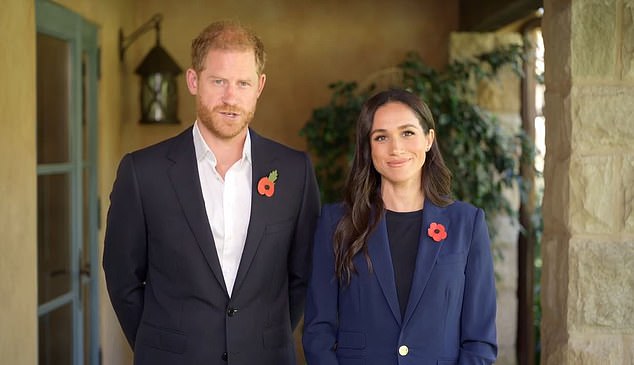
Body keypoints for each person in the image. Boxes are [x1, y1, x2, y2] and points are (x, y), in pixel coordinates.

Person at [103, 20, 320, 365]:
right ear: (194, 81)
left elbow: (303, 274)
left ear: (259, 86)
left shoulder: (295, 172)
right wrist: (162, 343)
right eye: (218, 81)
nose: (230, 97)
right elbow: (122, 277)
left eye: (243, 83)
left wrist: (257, 336)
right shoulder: (142, 172)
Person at [302, 89, 497, 365]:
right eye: (381, 137)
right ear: (368, 149)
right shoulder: (335, 223)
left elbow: (479, 341)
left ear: (429, 139)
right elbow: (318, 332)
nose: (396, 148)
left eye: (407, 133)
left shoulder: (467, 224)